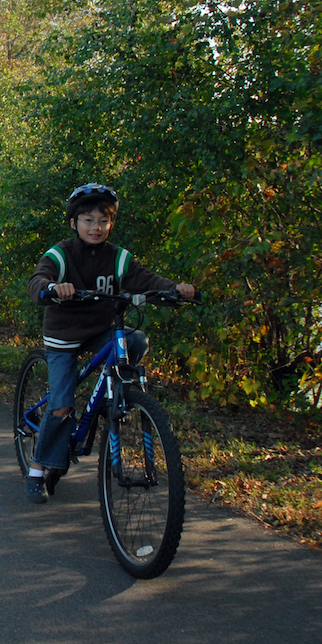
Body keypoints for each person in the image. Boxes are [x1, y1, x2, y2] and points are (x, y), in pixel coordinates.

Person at [23, 182, 196, 504]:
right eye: (88, 220)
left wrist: (176, 289)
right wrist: (50, 288)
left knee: (136, 339)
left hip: (101, 329)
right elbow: (38, 279)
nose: (96, 227)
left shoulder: (119, 258)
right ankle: (37, 468)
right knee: (61, 404)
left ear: (111, 223)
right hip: (63, 334)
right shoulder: (60, 254)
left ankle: (113, 393)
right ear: (74, 223)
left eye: (103, 220)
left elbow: (148, 280)